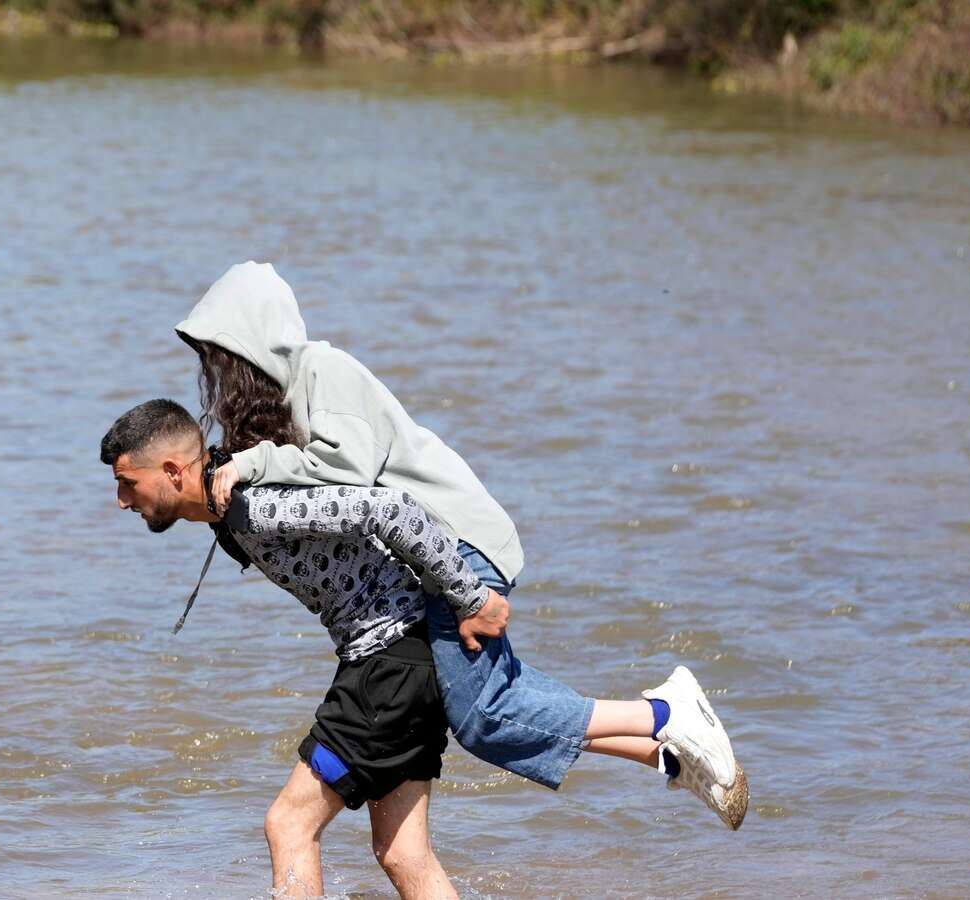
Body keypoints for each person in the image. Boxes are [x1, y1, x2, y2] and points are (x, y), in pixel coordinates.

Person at [100, 400, 747, 900]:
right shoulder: (230, 508)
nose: (121, 500)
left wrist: (468, 597)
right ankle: (666, 743)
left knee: (288, 825)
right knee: (403, 856)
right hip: (388, 663)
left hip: (388, 666)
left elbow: (391, 512)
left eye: (127, 483)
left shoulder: (251, 505)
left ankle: (663, 721)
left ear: (172, 470)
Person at [174, 262, 748, 824]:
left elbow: (343, 473)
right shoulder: (295, 393)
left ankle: (665, 715)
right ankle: (666, 752)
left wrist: (254, 462)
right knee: (496, 697)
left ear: (247, 341)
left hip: (459, 541)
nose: (214, 376)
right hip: (446, 547)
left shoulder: (324, 371)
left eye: (216, 357)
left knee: (483, 715)